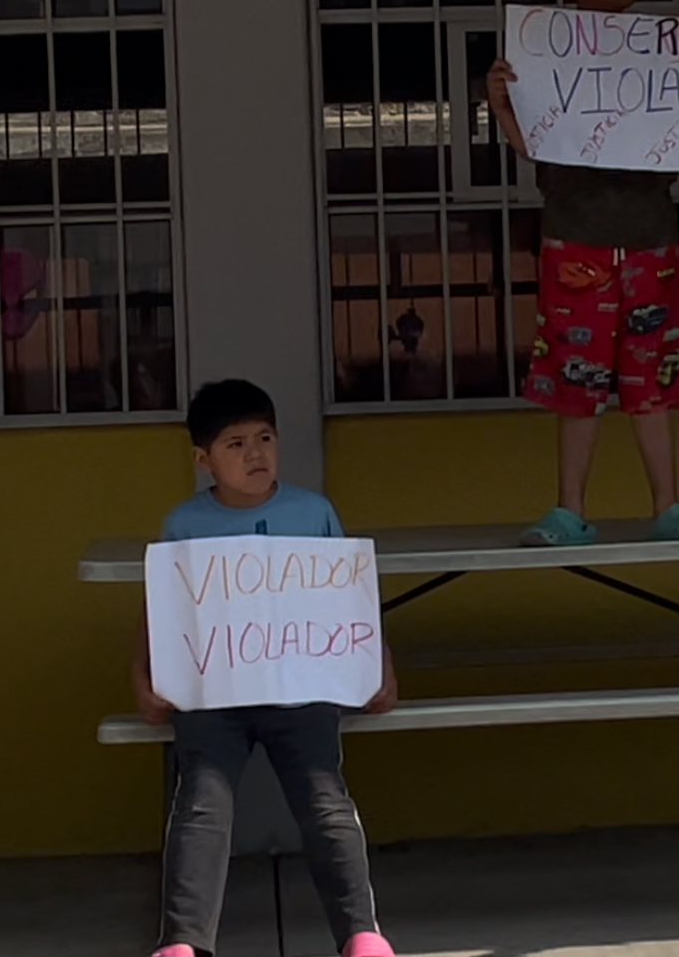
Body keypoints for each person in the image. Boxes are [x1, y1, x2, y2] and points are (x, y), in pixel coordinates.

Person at [133, 379, 398, 957]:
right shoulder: (184, 525)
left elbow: (350, 599)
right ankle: (183, 943)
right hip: (213, 698)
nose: (255, 454)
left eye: (265, 437)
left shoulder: (314, 512)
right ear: (203, 460)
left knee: (324, 798)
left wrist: (379, 664)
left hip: (301, 692)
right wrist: (144, 677)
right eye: (235, 444)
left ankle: (361, 933)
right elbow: (161, 611)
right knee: (201, 802)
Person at [485, 0, 679, 547]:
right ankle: (568, 509)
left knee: (654, 378)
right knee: (577, 379)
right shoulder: (540, 53)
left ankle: (669, 505)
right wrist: (502, 106)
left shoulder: (664, 50)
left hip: (651, 235)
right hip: (576, 237)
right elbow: (535, 146)